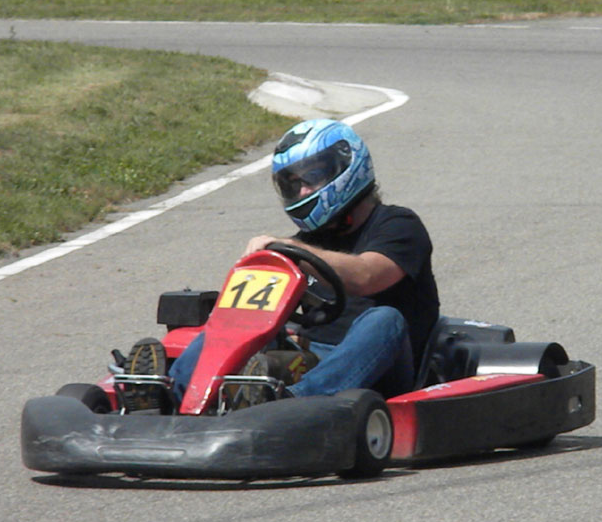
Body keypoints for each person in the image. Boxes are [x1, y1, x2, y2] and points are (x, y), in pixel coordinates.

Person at [141, 118, 439, 406]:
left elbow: (366, 276)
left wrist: (290, 249)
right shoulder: (303, 244)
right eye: (293, 184)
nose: (303, 191)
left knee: (385, 318)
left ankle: (294, 403)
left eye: (312, 177)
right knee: (234, 325)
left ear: (346, 166)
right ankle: (169, 394)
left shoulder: (399, 225)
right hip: (312, 359)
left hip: (385, 366)